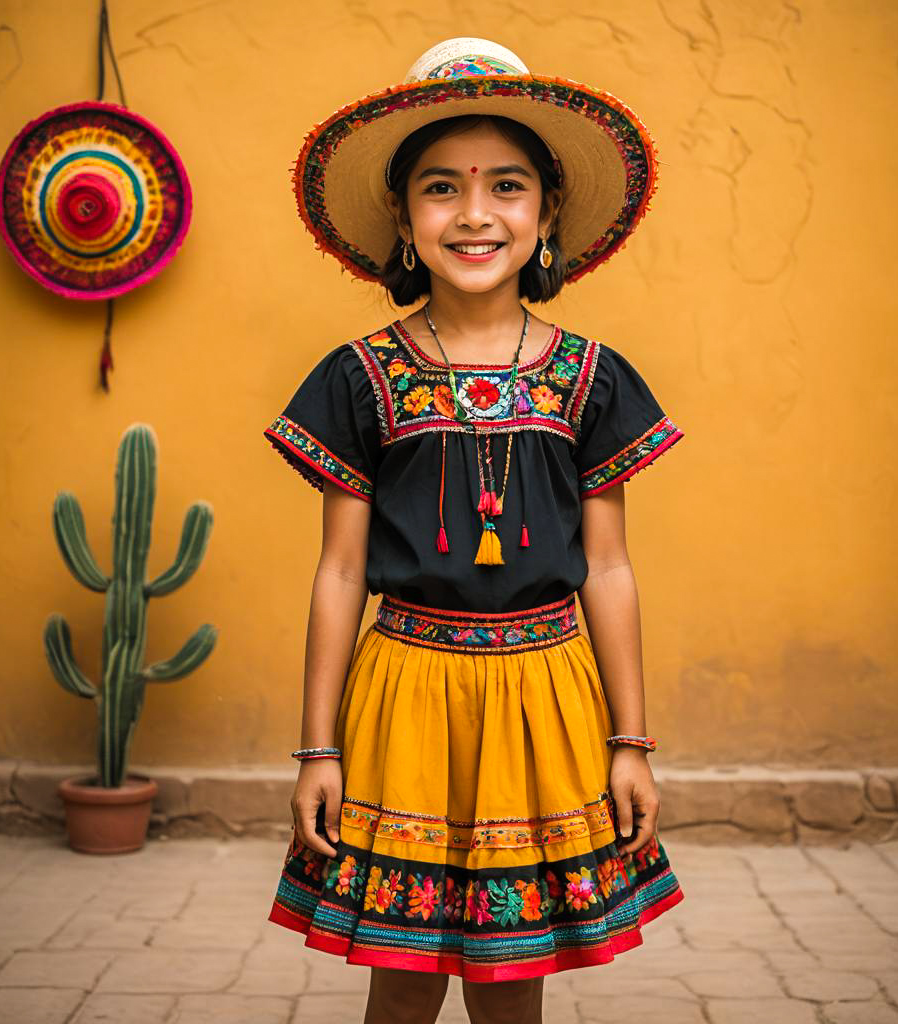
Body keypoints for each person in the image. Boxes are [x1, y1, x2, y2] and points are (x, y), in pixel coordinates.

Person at [263, 36, 687, 1024]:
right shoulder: (361, 376)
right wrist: (315, 752)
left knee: (510, 982)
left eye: (505, 186)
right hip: (405, 689)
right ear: (405, 227)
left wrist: (630, 740)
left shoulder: (590, 378)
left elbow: (611, 567)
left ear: (544, 220)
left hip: (547, 693)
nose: (474, 213)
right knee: (402, 983)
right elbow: (338, 571)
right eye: (441, 189)